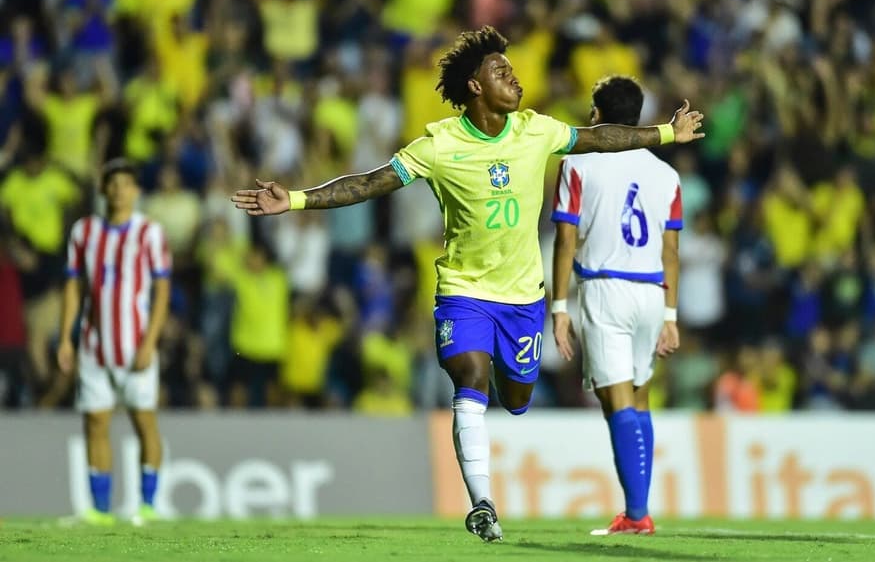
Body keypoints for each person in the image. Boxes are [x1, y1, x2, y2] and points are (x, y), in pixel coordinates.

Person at [231, 27, 703, 541]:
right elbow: (368, 183)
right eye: (501, 71)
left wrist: (665, 134)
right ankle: (482, 504)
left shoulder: (535, 130)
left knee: (516, 396)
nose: (514, 78)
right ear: (476, 87)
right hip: (464, 291)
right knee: (469, 377)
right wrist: (296, 199)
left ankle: (507, 395)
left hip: (523, 299)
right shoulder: (438, 145)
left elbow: (601, 137)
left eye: (513, 69)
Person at [550, 75, 683, 536]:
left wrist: (559, 307)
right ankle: (637, 510)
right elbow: (671, 251)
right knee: (639, 398)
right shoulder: (667, 175)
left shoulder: (578, 165)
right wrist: (671, 316)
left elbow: (566, 238)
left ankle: (637, 515)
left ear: (596, 116)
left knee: (616, 400)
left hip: (605, 290)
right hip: (652, 294)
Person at [57, 160, 171, 525]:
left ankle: (148, 506)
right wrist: (65, 338)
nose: (119, 190)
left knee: (144, 423)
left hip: (135, 342)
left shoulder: (149, 233)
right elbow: (74, 287)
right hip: (94, 344)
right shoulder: (84, 231)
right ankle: (100, 511)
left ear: (136, 191)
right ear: (104, 189)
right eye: (113, 184)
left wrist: (150, 341)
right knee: (95, 423)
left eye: (126, 184)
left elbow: (162, 289)